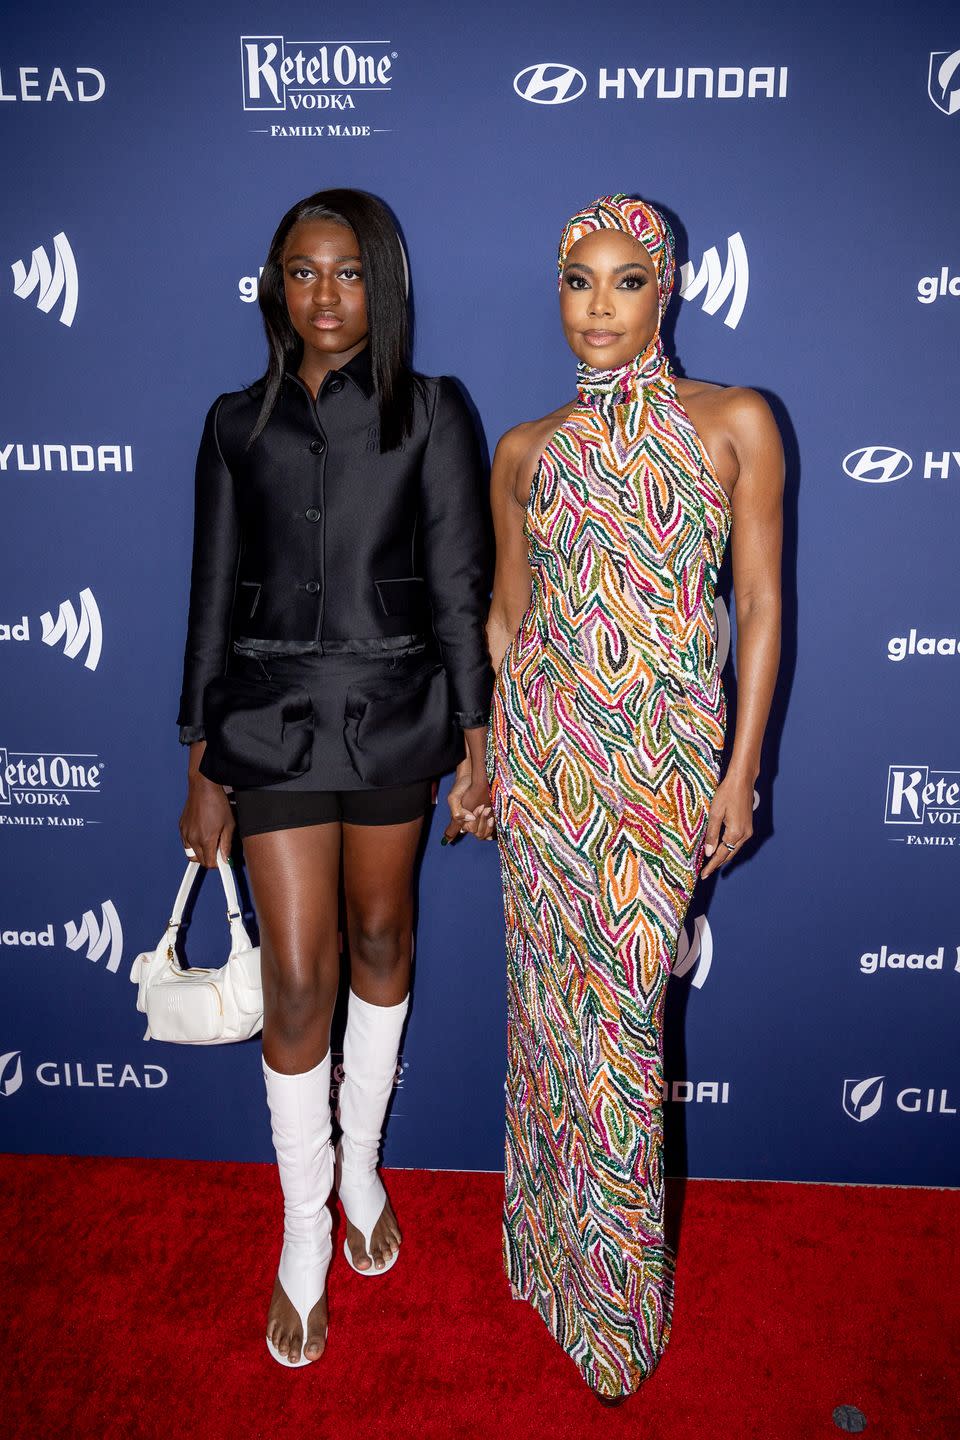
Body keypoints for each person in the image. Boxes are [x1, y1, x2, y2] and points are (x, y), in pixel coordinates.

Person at [450, 195, 783, 1397]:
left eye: (626, 281)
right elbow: (505, 619)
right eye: (578, 282)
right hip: (547, 766)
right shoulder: (526, 449)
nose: (598, 306)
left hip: (657, 768)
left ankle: (618, 1313)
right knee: (549, 1024)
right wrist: (482, 759)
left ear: (670, 288)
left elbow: (759, 606)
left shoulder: (733, 422)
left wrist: (741, 770)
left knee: (624, 1034)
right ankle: (547, 1257)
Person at [178, 188, 493, 1368]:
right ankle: (302, 1231)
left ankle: (362, 1168)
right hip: (266, 726)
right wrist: (201, 761)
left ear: (385, 286)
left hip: (400, 720)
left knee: (379, 943)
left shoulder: (433, 412)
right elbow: (209, 598)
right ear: (276, 284)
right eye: (303, 271)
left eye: (349, 272)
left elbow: (462, 588)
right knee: (299, 980)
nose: (325, 294)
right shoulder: (232, 424)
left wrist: (477, 743)